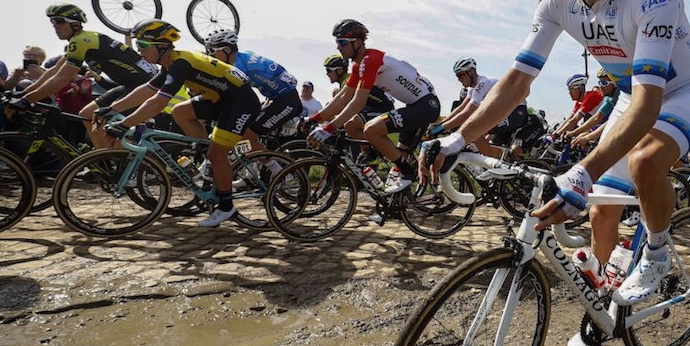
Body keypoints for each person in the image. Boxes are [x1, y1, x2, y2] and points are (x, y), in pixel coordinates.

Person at [422, 0, 690, 346]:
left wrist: (582, 171)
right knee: (601, 210)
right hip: (633, 95)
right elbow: (517, 82)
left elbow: (648, 104)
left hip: (683, 91)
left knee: (645, 162)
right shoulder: (557, 0)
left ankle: (658, 251)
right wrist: (458, 139)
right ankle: (603, 305)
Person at [98, 19, 262, 228]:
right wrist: (112, 108)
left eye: (143, 45)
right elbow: (147, 90)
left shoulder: (180, 64)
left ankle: (226, 206)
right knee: (180, 111)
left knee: (217, 154)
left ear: (162, 47)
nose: (139, 51)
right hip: (220, 99)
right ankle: (207, 156)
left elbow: (158, 102)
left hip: (240, 102)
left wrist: (124, 124)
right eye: (138, 45)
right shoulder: (171, 63)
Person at [308, 19, 440, 193]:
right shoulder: (359, 65)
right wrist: (314, 119)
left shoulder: (371, 60)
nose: (338, 47)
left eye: (342, 42)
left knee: (371, 129)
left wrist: (329, 128)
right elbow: (343, 97)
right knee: (400, 157)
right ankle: (401, 199)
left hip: (425, 106)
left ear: (357, 42)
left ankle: (409, 171)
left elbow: (358, 102)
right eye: (337, 42)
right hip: (415, 105)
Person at [17, 4, 156, 148]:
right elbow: (54, 71)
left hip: (143, 85)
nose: (55, 25)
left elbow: (61, 79)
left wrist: (26, 100)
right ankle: (106, 156)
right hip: (131, 84)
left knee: (108, 125)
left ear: (75, 24)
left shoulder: (81, 40)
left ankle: (118, 157)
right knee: (87, 114)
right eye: (52, 21)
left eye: (59, 21)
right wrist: (24, 94)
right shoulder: (83, 40)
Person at [188, 29, 301, 161]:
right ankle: (253, 168)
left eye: (212, 50)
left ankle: (277, 170)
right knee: (241, 136)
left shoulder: (238, 66)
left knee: (244, 137)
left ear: (227, 50)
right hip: (277, 98)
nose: (210, 55)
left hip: (286, 101)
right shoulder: (243, 57)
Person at [428, 57, 528, 158]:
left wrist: (441, 128)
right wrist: (440, 124)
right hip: (505, 110)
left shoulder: (483, 83)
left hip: (516, 111)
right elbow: (461, 108)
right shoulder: (472, 89)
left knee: (474, 131)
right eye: (457, 76)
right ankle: (492, 158)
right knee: (474, 131)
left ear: (471, 72)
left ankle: (492, 164)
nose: (459, 79)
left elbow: (467, 112)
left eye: (461, 75)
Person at [568, 68, 621, 148]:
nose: (600, 87)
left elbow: (615, 121)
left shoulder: (621, 96)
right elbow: (596, 118)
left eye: (604, 83)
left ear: (614, 83)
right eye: (599, 83)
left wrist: (589, 136)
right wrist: (574, 132)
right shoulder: (609, 98)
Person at [550, 73, 604, 139]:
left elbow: (574, 121)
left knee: (580, 138)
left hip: (606, 123)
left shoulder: (591, 96)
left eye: (571, 89)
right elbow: (569, 119)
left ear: (581, 88)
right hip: (598, 124)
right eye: (569, 89)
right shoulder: (579, 101)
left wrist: (555, 136)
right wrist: (553, 134)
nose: (569, 92)